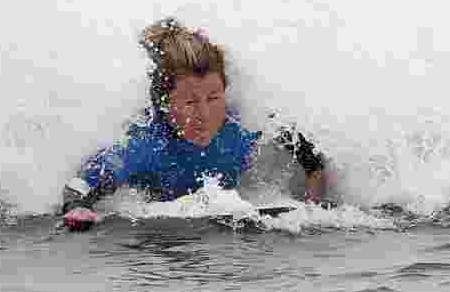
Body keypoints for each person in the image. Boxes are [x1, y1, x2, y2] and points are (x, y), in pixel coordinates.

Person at [61, 18, 332, 231]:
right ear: (163, 104)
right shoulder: (144, 144)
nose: (205, 115)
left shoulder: (245, 124)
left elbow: (313, 161)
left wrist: (312, 210)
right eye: (190, 103)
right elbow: (79, 187)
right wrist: (78, 209)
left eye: (214, 98)